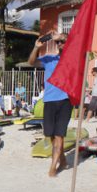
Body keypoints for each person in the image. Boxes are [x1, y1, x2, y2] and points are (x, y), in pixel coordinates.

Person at [28, 32, 71, 177]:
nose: (59, 44)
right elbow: (31, 62)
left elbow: (72, 45)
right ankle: (63, 160)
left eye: (61, 42)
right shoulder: (49, 58)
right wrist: (36, 47)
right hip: (49, 101)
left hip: (65, 101)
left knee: (59, 135)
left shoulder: (70, 58)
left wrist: (61, 37)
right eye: (57, 43)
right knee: (51, 135)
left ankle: (53, 168)